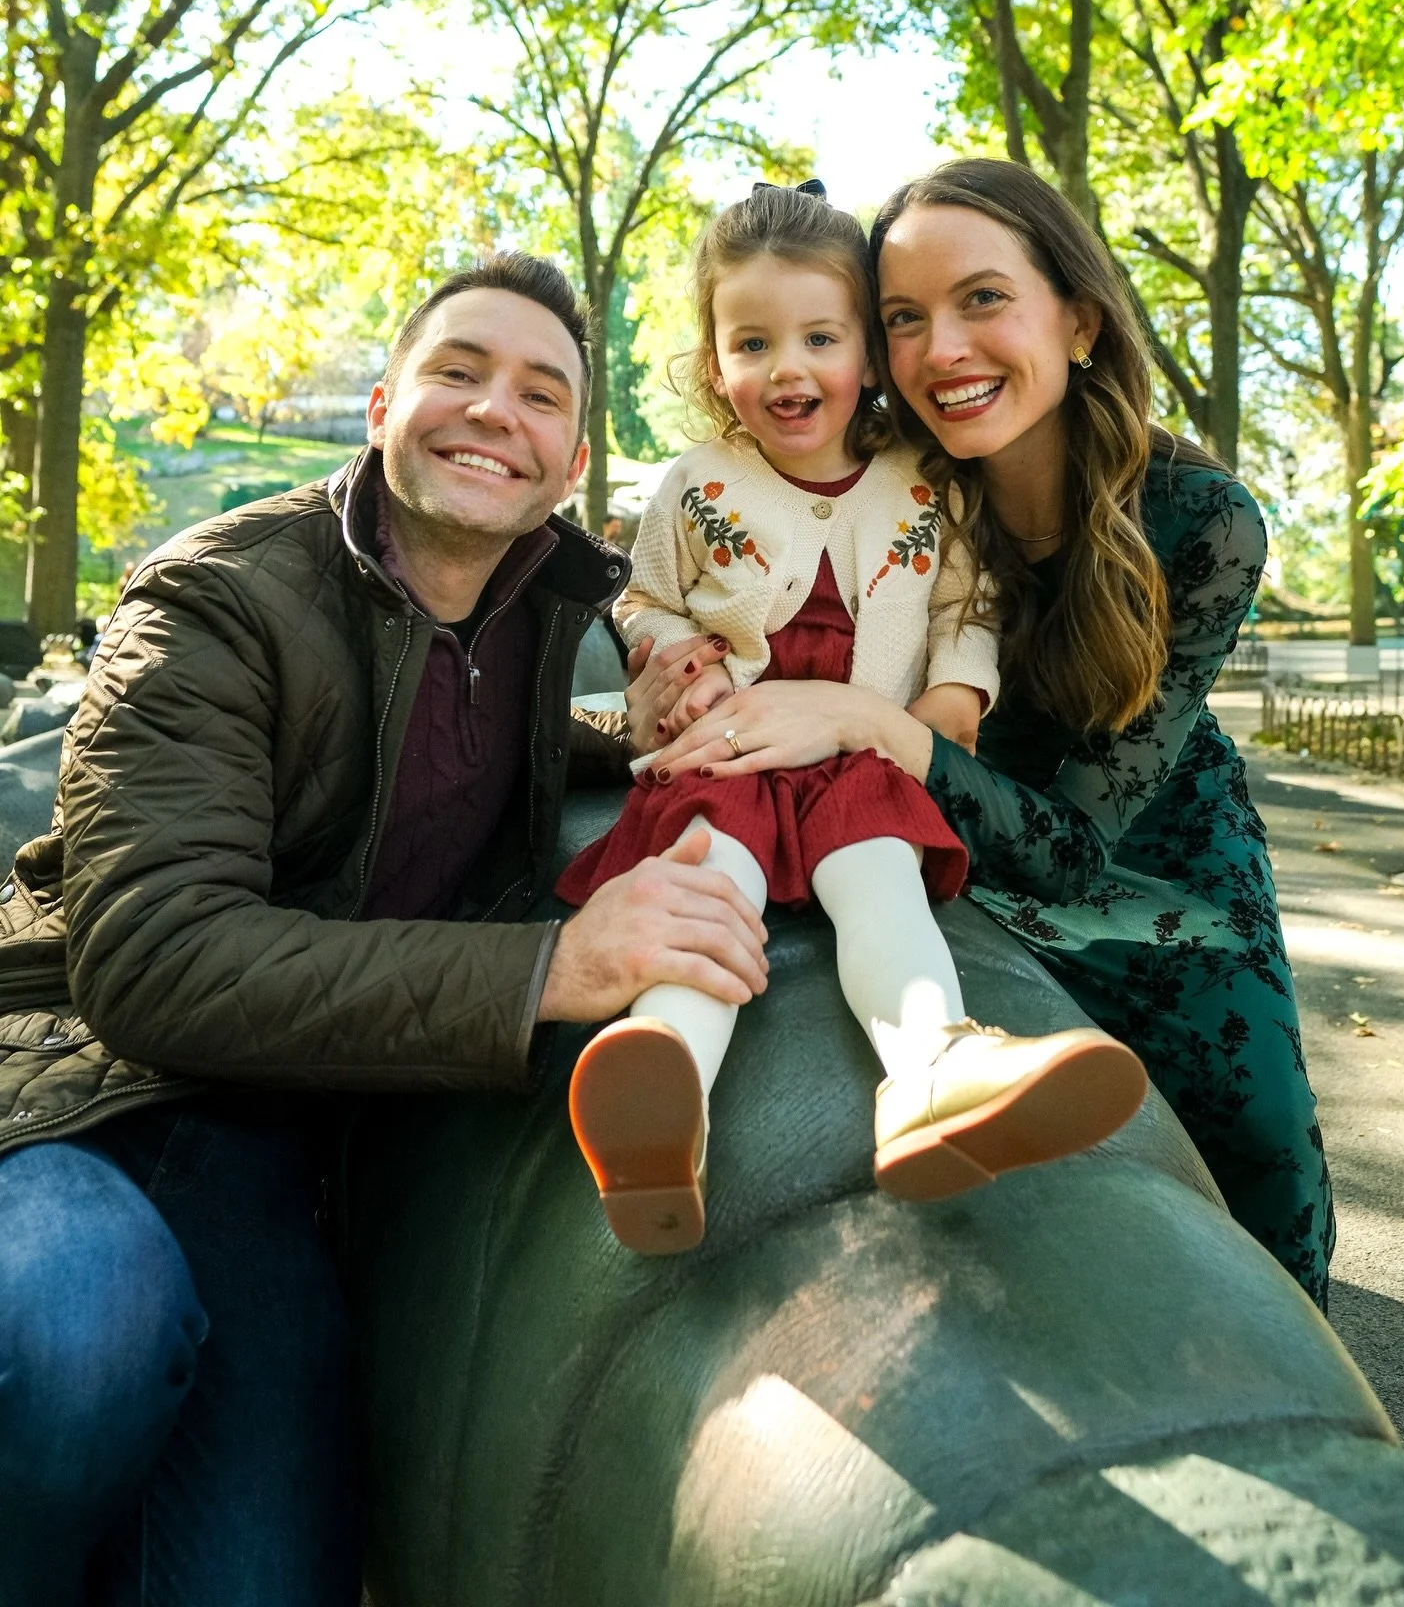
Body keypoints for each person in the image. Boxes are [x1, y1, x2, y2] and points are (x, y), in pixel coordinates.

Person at [0, 253, 767, 1606]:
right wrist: (555, 966)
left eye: (539, 395)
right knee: (80, 1320)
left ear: (571, 460)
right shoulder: (213, 601)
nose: (493, 412)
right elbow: (154, 960)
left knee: (260, 1579)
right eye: (458, 373)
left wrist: (638, 744)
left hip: (279, 1141)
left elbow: (442, 745)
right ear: (378, 406)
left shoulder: (542, 612)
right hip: (81, 1084)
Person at [648, 160, 1334, 1309]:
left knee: (1259, 1125)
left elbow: (1076, 844)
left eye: (981, 301)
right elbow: (718, 612)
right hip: (928, 830)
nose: (942, 350)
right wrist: (669, 669)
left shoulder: (1203, 521)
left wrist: (869, 721)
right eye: (904, 319)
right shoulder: (889, 487)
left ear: (1076, 319)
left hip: (1137, 849)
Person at [556, 182, 1146, 1256]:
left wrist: (948, 699)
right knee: (708, 893)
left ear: (869, 356)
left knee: (882, 888)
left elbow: (968, 605)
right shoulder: (697, 484)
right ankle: (665, 1086)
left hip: (858, 746)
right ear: (715, 360)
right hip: (733, 745)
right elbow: (638, 593)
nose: (788, 368)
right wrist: (663, 649)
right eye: (753, 342)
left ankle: (930, 1063)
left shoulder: (923, 483)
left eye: (820, 337)